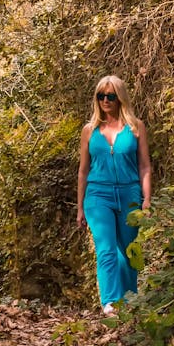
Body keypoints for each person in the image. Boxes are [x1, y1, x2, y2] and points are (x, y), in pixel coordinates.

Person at [75, 75, 152, 315]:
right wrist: (80, 207)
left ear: (120, 98)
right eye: (101, 96)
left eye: (111, 96)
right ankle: (109, 303)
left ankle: (129, 300)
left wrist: (147, 199)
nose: (105, 100)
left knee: (128, 250)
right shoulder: (89, 131)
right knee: (106, 248)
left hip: (130, 193)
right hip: (98, 195)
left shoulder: (136, 127)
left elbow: (145, 167)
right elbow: (83, 170)